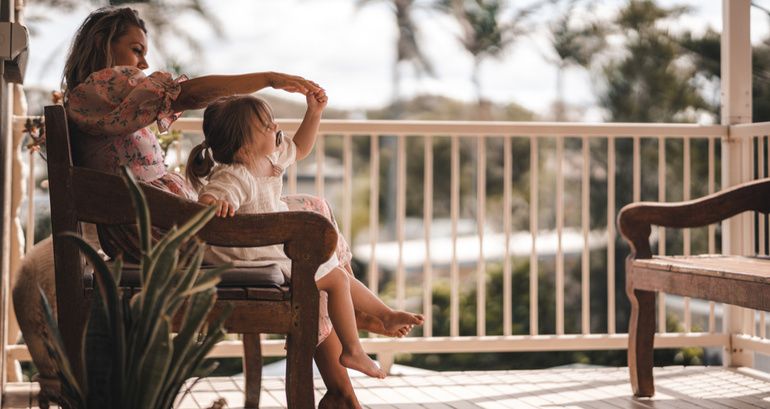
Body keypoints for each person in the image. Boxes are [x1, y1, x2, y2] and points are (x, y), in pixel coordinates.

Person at [34, 5, 423, 408]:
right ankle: (349, 349)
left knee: (312, 213)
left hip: (167, 223)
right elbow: (186, 94)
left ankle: (352, 331)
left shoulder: (104, 98)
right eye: (135, 49)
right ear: (103, 44)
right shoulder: (101, 89)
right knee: (308, 235)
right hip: (163, 233)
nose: (144, 62)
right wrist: (267, 79)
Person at [185, 93, 406, 379]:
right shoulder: (235, 174)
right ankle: (353, 348)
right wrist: (217, 204)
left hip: (269, 248)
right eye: (265, 126)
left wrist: (314, 112)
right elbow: (209, 198)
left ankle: (383, 314)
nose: (275, 127)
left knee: (337, 275)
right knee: (337, 278)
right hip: (251, 255)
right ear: (243, 147)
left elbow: (300, 147)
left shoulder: (269, 157)